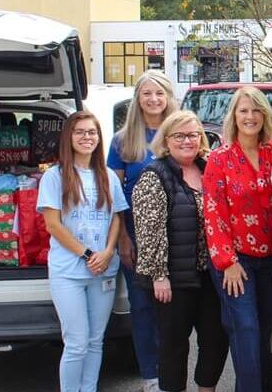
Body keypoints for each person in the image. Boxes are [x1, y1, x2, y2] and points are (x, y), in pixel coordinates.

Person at [132, 111, 229, 392]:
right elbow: (149, 231)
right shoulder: (155, 175)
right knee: (174, 345)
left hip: (211, 274)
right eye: (179, 135)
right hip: (174, 279)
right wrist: (159, 275)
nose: (187, 141)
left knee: (215, 339)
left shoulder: (209, 168)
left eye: (193, 134)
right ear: (166, 140)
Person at [38, 111, 128, 392]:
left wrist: (109, 251)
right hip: (70, 272)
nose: (87, 137)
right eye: (80, 132)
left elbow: (117, 217)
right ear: (68, 137)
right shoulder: (54, 176)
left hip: (103, 271)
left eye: (92, 132)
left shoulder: (108, 176)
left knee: (95, 340)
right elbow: (53, 224)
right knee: (76, 342)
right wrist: (88, 254)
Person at [203, 87, 272, 392]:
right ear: (234, 116)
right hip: (236, 262)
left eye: (255, 110)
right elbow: (214, 214)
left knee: (262, 336)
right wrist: (227, 263)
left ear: (264, 115)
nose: (250, 117)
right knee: (245, 331)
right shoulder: (220, 158)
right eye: (243, 111)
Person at [107, 69, 178, 392]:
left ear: (168, 97)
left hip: (176, 234)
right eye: (147, 94)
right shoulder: (123, 141)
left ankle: (172, 372)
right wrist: (122, 238)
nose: (153, 99)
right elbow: (113, 195)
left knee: (173, 308)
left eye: (159, 93)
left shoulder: (179, 133)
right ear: (138, 98)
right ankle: (151, 376)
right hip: (134, 235)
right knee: (143, 308)